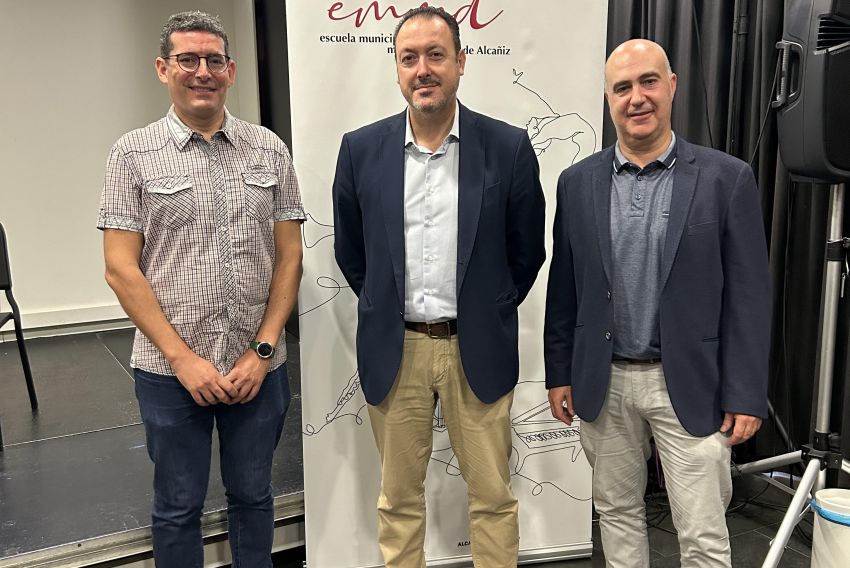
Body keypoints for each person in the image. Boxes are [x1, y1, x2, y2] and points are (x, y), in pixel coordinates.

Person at [544, 39, 770, 567]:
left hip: (691, 382)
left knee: (702, 531)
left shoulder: (726, 179)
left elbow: (749, 296)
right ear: (608, 98)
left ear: (672, 86)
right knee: (617, 514)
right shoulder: (576, 183)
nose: (636, 98)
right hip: (604, 380)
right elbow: (565, 288)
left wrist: (745, 392)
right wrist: (560, 372)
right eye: (622, 87)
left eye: (648, 82)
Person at [332, 7, 545, 567]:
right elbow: (354, 255)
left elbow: (527, 253)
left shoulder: (508, 148)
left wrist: (487, 308)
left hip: (477, 348)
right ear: (396, 69)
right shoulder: (360, 150)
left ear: (460, 62)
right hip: (395, 349)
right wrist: (385, 306)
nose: (422, 69)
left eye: (435, 55)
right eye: (410, 58)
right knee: (398, 502)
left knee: (493, 499)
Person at [98, 11, 304, 567]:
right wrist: (182, 359)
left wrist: (262, 351)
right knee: (177, 506)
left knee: (255, 498)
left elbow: (289, 256)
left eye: (213, 60)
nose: (202, 71)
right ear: (164, 69)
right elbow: (121, 268)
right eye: (187, 60)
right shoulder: (132, 154)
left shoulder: (268, 149)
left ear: (231, 70)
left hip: (258, 367)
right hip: (170, 374)